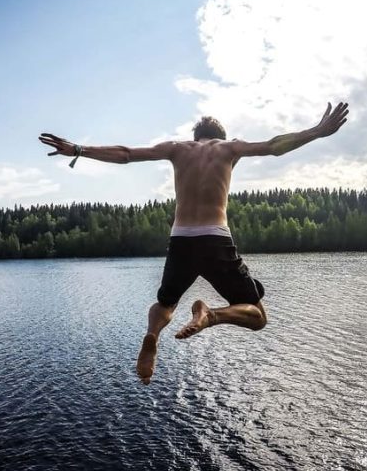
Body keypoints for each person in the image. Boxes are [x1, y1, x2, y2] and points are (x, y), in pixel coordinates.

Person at [39, 101, 349, 384]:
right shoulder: (229, 148)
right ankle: (211, 315)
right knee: (257, 316)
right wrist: (318, 131)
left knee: (165, 303)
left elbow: (127, 154)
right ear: (219, 136)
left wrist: (78, 149)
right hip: (216, 239)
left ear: (196, 135)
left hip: (181, 240)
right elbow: (273, 146)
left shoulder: (177, 149)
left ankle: (151, 335)